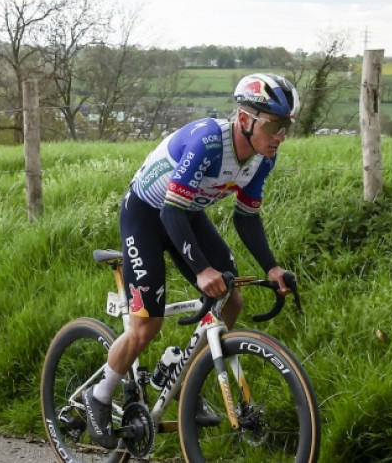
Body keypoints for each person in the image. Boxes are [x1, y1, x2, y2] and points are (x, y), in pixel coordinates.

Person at [82, 73, 300, 448]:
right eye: (275, 125)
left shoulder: (263, 159)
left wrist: (272, 267)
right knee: (146, 326)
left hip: (186, 212)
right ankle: (99, 397)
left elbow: (246, 217)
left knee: (230, 298)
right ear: (245, 120)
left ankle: (185, 380)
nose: (281, 135)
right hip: (147, 214)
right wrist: (201, 269)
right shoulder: (208, 143)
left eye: (287, 127)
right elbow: (168, 213)